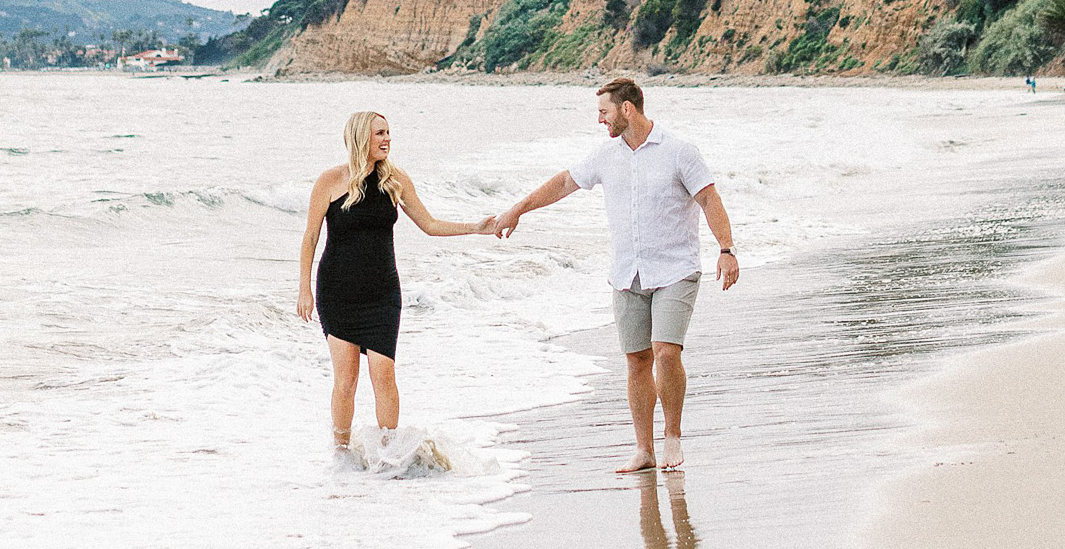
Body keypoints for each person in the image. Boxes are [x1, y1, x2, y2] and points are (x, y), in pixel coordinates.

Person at [494, 78, 738, 473]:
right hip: (627, 273)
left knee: (665, 350)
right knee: (637, 360)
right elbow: (563, 183)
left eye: (604, 112)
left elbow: (709, 198)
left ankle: (672, 435)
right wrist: (518, 209)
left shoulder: (679, 151)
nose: (600, 121)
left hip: (676, 268)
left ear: (627, 109)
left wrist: (726, 249)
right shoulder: (606, 156)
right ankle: (644, 450)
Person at [298, 111, 496, 448]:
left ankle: (388, 453)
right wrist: (304, 289)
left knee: (384, 375)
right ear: (362, 137)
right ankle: (341, 453)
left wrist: (474, 227)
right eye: (379, 133)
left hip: (382, 293)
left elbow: (429, 225)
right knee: (346, 380)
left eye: (388, 132)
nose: (387, 139)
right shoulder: (330, 181)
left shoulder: (395, 180)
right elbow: (310, 237)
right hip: (338, 291)